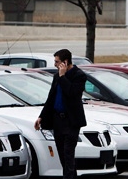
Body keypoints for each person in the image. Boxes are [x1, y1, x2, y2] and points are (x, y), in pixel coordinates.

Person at [34, 49, 87, 179]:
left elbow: (72, 94)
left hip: (71, 121)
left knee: (68, 153)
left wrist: (63, 77)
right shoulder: (57, 76)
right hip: (58, 120)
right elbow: (51, 98)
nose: (55, 65)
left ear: (65, 62)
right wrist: (41, 116)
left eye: (57, 62)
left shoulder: (79, 75)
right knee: (63, 157)